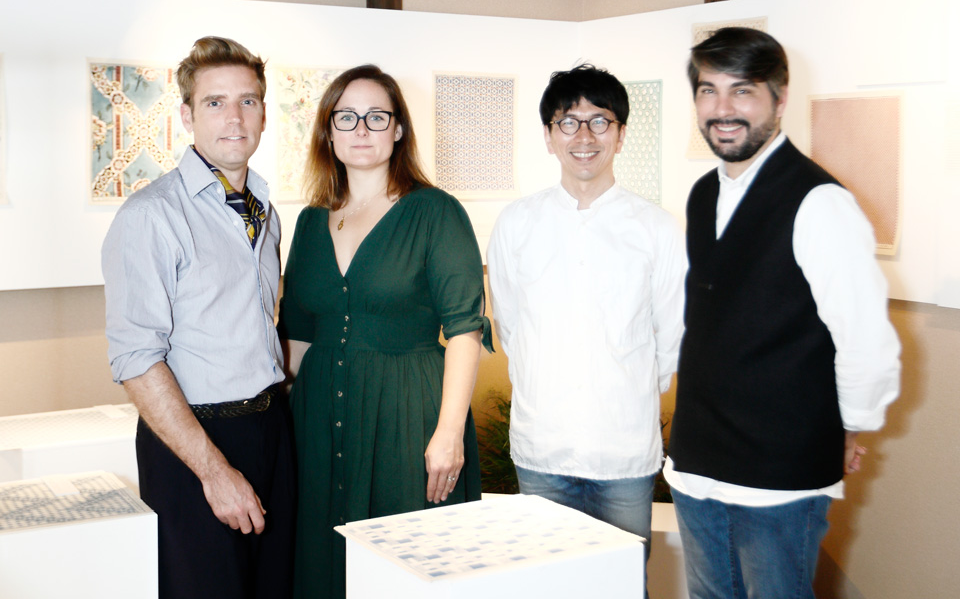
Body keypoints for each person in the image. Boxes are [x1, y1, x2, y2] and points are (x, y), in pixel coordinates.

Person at [665, 27, 901, 599]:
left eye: (742, 90)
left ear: (780, 98)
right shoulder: (702, 193)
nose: (723, 109)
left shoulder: (821, 203)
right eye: (709, 90)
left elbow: (865, 338)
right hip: (698, 464)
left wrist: (850, 425)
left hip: (778, 475)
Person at [278, 64, 491, 599]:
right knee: (323, 563)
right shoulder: (310, 221)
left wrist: (449, 433)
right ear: (328, 130)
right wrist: (281, 429)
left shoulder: (436, 212)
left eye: (376, 116)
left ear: (397, 129)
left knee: (406, 567)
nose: (361, 129)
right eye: (346, 117)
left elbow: (465, 332)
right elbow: (296, 338)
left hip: (408, 415)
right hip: (318, 420)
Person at [102, 36, 295, 599]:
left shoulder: (265, 212)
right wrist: (213, 471)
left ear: (263, 113)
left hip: (270, 431)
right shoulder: (151, 216)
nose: (234, 118)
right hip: (195, 443)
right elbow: (136, 360)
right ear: (186, 115)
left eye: (248, 101)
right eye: (215, 102)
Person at [487, 64, 686, 587]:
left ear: (620, 134)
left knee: (622, 586)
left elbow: (671, 333)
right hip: (542, 447)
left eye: (600, 122)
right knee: (546, 587)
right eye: (568, 122)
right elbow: (510, 326)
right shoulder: (517, 222)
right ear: (549, 136)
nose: (584, 137)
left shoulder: (656, 228)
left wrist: (626, 387)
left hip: (623, 451)